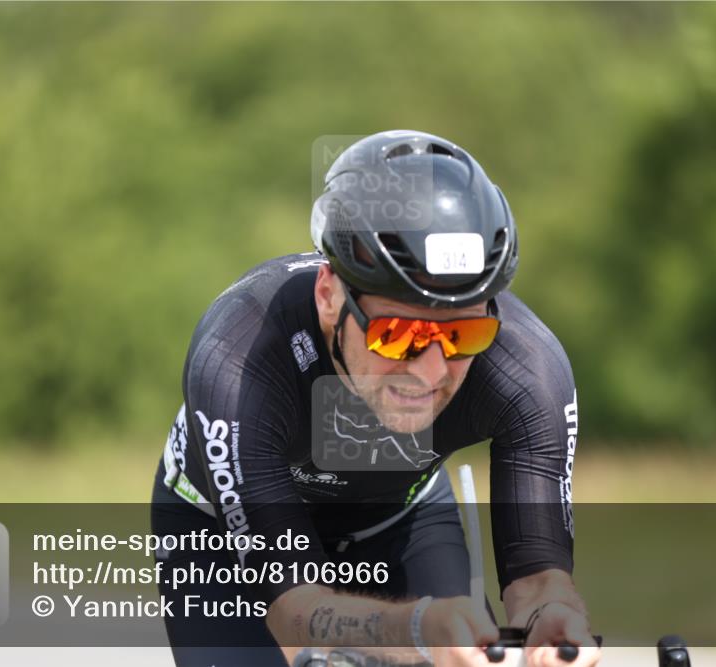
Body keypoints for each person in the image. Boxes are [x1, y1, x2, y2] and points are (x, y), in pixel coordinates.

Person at [151, 130, 599, 667]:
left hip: (397, 518)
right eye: (399, 334)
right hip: (223, 532)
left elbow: (537, 577)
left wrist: (552, 619)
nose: (431, 370)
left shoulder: (528, 372)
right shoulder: (240, 356)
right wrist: (413, 631)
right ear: (328, 297)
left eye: (463, 337)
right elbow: (297, 615)